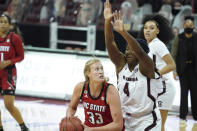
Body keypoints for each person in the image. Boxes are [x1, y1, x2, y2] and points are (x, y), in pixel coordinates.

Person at [104, 0, 161, 130]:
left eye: (131, 49)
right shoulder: (121, 66)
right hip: (126, 119)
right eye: (126, 48)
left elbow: (140, 52)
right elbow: (111, 44)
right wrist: (107, 22)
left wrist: (123, 32)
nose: (127, 51)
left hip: (147, 121)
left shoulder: (147, 67)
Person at [140, 14, 176, 131]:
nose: (148, 30)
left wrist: (155, 74)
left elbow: (172, 65)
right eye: (145, 28)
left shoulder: (158, 44)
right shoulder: (148, 46)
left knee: (159, 126)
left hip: (164, 88)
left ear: (158, 31)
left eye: (151, 28)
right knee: (153, 125)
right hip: (155, 88)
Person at [66, 58, 123, 131]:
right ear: (88, 73)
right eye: (97, 69)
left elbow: (118, 125)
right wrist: (69, 116)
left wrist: (93, 129)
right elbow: (72, 107)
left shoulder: (111, 91)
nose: (101, 72)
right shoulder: (80, 87)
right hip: (88, 128)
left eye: (101, 69)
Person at [0, 14, 29, 131]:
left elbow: (21, 56)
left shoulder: (14, 38)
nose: (2, 24)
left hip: (8, 74)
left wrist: (9, 62)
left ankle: (23, 126)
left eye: (5, 22)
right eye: (0, 21)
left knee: (8, 105)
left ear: (9, 24)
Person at [171, 15, 197, 130]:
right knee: (183, 94)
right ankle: (183, 115)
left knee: (195, 94)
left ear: (194, 26)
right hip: (183, 70)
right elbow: (174, 54)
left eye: (190, 25)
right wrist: (174, 71)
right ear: (183, 26)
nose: (188, 27)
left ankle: (196, 115)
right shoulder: (179, 38)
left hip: (195, 70)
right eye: (186, 25)